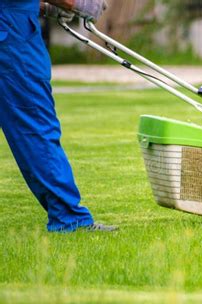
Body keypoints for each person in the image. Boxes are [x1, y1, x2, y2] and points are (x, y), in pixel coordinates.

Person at [0, 0, 117, 232]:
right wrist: (75, 3)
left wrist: (42, 7)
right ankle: (69, 218)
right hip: (10, 35)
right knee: (34, 124)